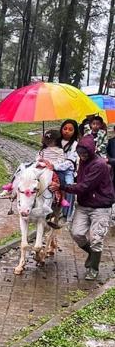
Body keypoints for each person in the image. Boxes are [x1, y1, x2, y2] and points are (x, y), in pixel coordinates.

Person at [50, 135, 115, 280]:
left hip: (101, 206)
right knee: (76, 233)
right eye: (80, 153)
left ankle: (93, 268)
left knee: (96, 238)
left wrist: (62, 187)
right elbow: (79, 180)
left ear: (92, 151)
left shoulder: (99, 165)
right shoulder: (82, 161)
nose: (82, 156)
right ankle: (92, 254)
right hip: (84, 205)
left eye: (85, 153)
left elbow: (85, 186)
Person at [60, 119, 80, 218]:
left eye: (70, 129)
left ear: (74, 132)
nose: (67, 131)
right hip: (56, 169)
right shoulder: (57, 141)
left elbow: (71, 161)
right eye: (65, 128)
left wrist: (58, 166)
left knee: (70, 187)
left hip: (68, 170)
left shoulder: (75, 145)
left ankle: (68, 213)